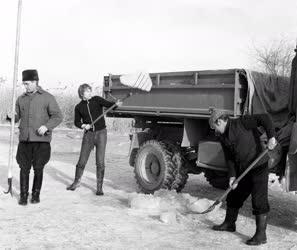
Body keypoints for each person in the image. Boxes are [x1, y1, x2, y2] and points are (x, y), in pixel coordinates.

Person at [209, 109, 277, 246]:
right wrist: (232, 176)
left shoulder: (242, 122)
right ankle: (229, 223)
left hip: (258, 166)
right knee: (234, 196)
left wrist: (271, 136)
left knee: (259, 200)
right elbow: (229, 158)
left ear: (220, 121)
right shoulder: (222, 137)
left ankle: (261, 235)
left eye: (215, 127)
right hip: (243, 170)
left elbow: (265, 118)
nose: (215, 130)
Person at [8, 69, 63, 205]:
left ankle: (36, 195)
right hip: (25, 139)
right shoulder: (21, 99)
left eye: (27, 84)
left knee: (38, 168)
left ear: (35, 82)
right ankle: (23, 195)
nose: (25, 87)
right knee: (23, 168)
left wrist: (47, 126)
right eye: (24, 84)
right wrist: (11, 117)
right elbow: (16, 117)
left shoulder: (47, 97)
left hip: (41, 140)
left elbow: (57, 116)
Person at [66, 84, 121, 195]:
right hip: (88, 135)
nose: (90, 93)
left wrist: (116, 104)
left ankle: (99, 188)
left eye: (90, 91)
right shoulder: (79, 107)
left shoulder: (96, 99)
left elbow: (109, 105)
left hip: (101, 133)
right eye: (87, 91)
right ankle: (76, 182)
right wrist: (83, 126)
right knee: (82, 160)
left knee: (100, 162)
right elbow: (77, 122)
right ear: (82, 94)